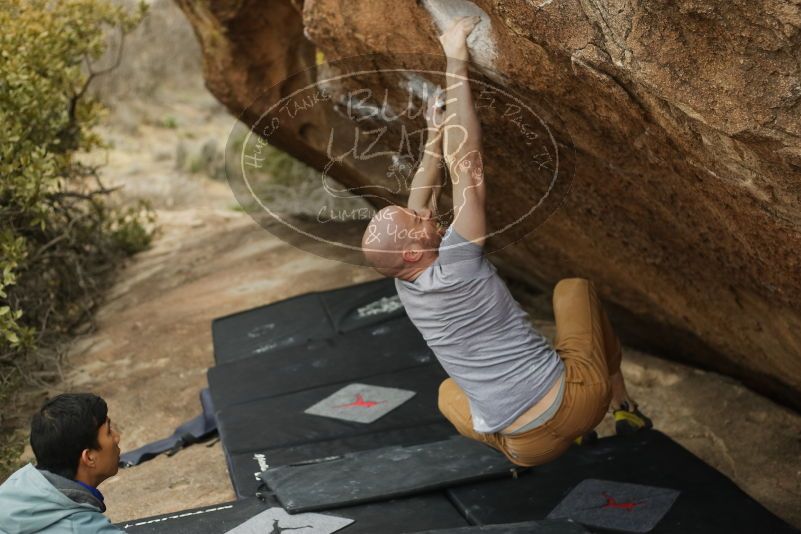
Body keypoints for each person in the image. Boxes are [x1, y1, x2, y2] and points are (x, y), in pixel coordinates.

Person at [361, 16, 651, 467]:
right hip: (577, 401)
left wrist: (433, 137)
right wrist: (454, 56)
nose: (423, 211)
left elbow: (423, 191)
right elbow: (468, 161)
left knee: (447, 393)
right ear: (413, 251)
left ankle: (521, 445)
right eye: (418, 220)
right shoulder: (458, 260)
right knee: (573, 289)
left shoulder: (405, 280)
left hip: (528, 448)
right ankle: (623, 407)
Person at [0, 393, 123, 533]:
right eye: (108, 432)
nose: (117, 437)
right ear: (89, 457)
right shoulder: (82, 529)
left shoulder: (15, 486)